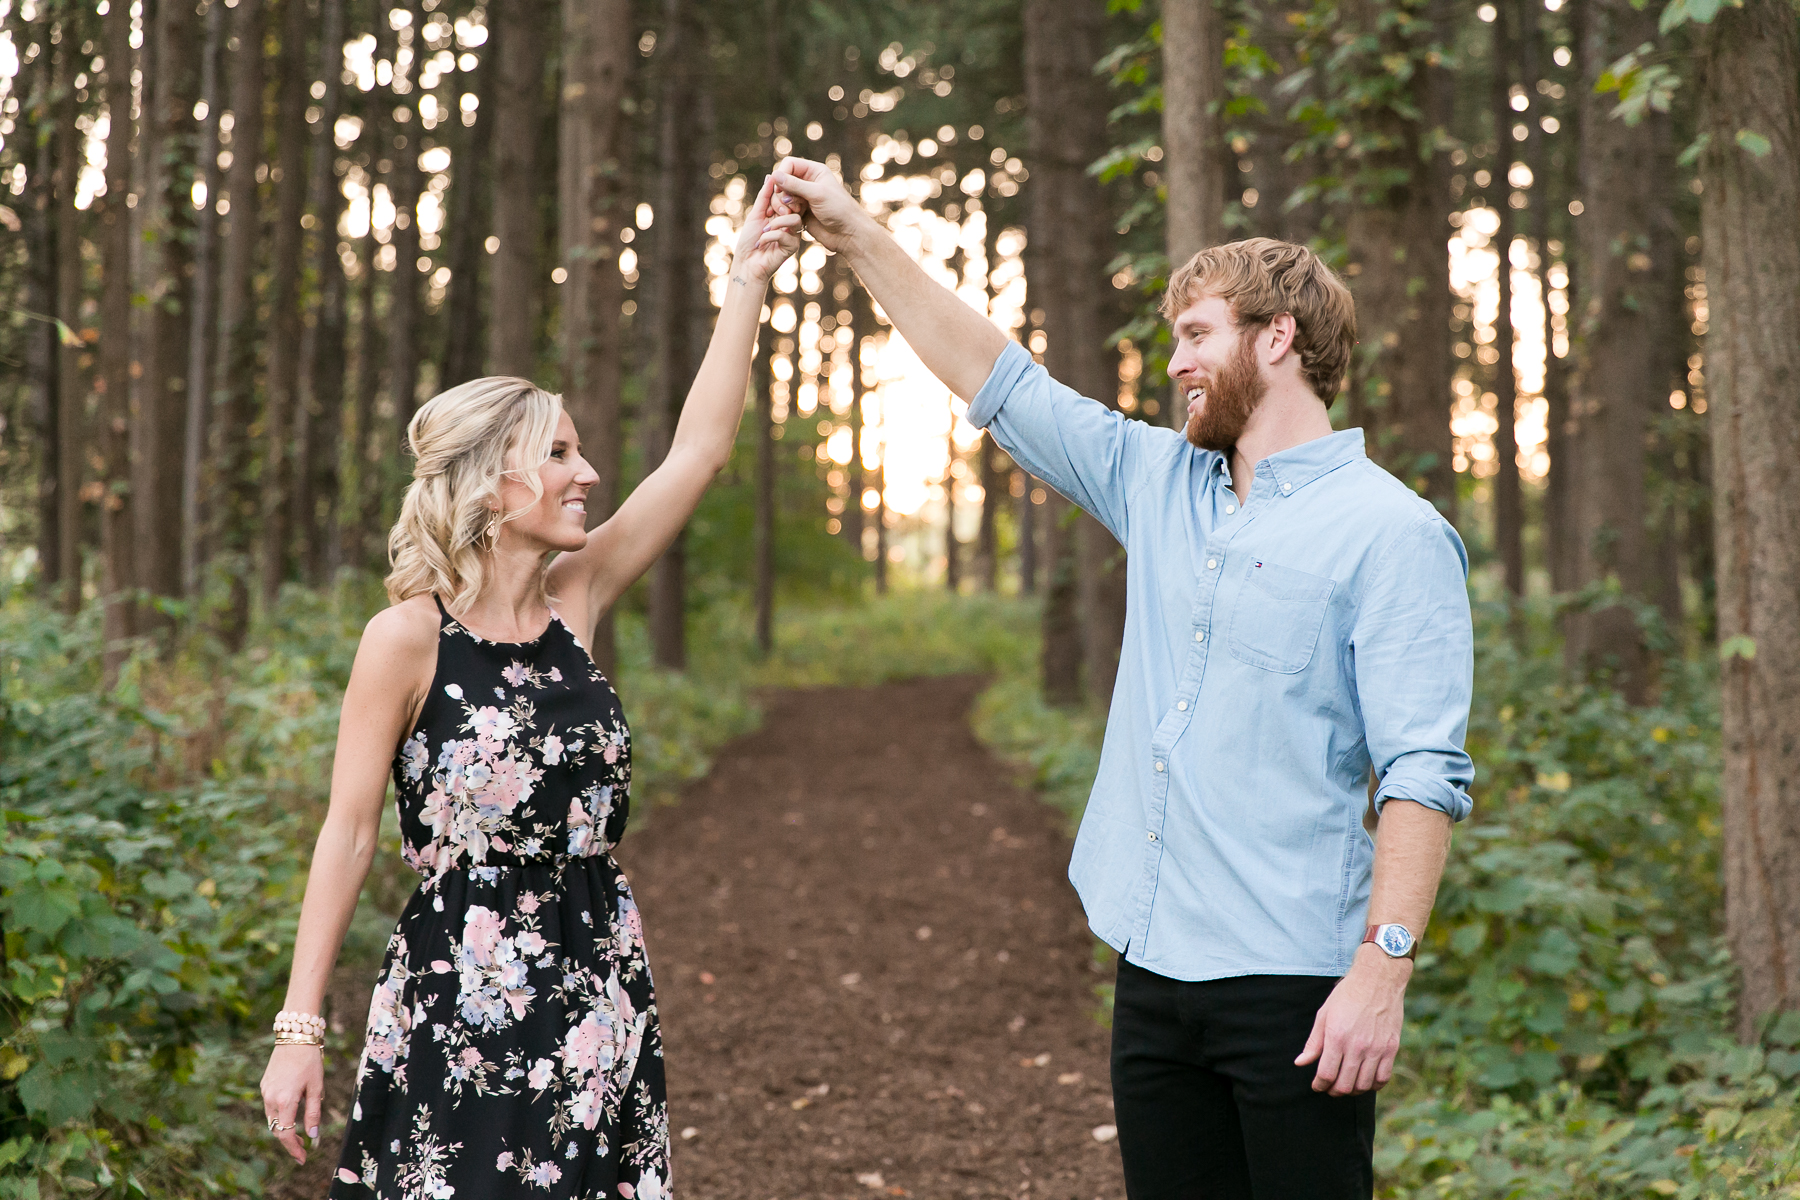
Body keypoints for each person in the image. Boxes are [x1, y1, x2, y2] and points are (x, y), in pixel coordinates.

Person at [771, 157, 1474, 1199]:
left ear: (1276, 338)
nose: (1177, 362)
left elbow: (1421, 772)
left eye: (1197, 335)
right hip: (1152, 974)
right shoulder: (1159, 482)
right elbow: (998, 378)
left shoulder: (1393, 534)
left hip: (1291, 988)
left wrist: (1383, 969)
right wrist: (859, 236)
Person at [257, 177, 803, 1199]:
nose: (586, 471)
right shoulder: (406, 640)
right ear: (489, 478)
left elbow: (702, 450)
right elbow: (348, 834)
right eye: (558, 452)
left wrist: (746, 280)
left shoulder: (577, 599)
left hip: (597, 982)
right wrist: (299, 1030)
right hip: (455, 1005)